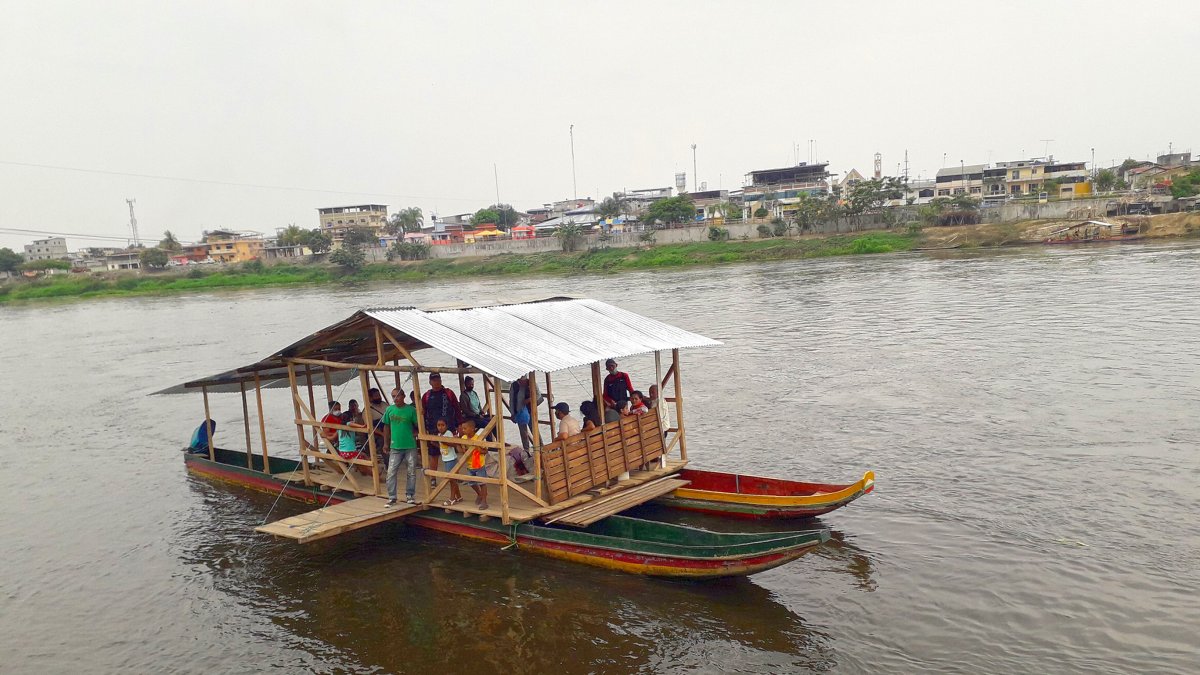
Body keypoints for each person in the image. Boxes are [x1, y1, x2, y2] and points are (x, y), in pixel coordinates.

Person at [382, 388, 420, 506]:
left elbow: (418, 424)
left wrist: (416, 433)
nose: (395, 398)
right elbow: (386, 427)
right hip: (395, 446)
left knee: (411, 471)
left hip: (410, 445)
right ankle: (392, 496)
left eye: (397, 396)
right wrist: (386, 443)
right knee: (391, 471)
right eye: (393, 396)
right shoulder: (389, 410)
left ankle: (410, 494)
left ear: (403, 396)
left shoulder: (411, 410)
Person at [459, 419, 489, 511]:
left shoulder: (478, 438)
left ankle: (484, 500)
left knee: (482, 483)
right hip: (470, 464)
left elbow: (486, 450)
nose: (463, 430)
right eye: (462, 428)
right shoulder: (463, 438)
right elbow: (462, 449)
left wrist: (480, 451)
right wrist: (463, 449)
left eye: (465, 428)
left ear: (472, 429)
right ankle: (479, 494)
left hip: (479, 464)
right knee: (471, 482)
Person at [432, 418, 462, 506]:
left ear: (446, 426)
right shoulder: (439, 434)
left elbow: (453, 444)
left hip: (451, 459)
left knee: (451, 479)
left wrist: (444, 441)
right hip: (445, 458)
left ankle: (452, 498)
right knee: (452, 479)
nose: (440, 427)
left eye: (442, 425)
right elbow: (441, 446)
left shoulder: (448, 433)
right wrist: (435, 444)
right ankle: (459, 496)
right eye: (438, 425)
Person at [509, 373, 533, 453]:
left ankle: (541, 448)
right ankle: (527, 451)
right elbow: (511, 399)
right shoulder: (514, 385)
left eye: (525, 381)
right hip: (519, 412)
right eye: (522, 381)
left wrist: (530, 399)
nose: (524, 383)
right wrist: (512, 413)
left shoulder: (531, 383)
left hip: (530, 411)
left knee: (534, 431)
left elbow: (538, 396)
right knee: (523, 433)